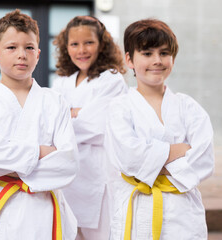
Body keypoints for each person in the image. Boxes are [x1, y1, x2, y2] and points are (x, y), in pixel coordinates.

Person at [0, 9, 78, 240]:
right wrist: (41, 151)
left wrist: (9, 159)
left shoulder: (54, 100)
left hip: (45, 208)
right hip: (0, 206)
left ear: (38, 53)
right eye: (11, 47)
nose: (21, 55)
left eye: (29, 47)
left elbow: (68, 163)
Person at [105, 19, 214, 240]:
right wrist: (179, 150)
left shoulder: (189, 107)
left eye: (164, 53)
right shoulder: (119, 106)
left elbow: (204, 159)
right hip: (137, 210)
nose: (157, 61)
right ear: (129, 60)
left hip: (183, 215)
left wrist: (151, 164)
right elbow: (128, 156)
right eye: (147, 53)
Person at [51, 15, 127, 240]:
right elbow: (48, 125)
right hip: (66, 177)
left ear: (102, 44)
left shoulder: (112, 80)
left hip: (97, 176)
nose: (81, 50)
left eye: (89, 42)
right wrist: (76, 113)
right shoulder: (62, 81)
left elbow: (97, 125)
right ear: (66, 48)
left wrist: (66, 116)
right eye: (74, 44)